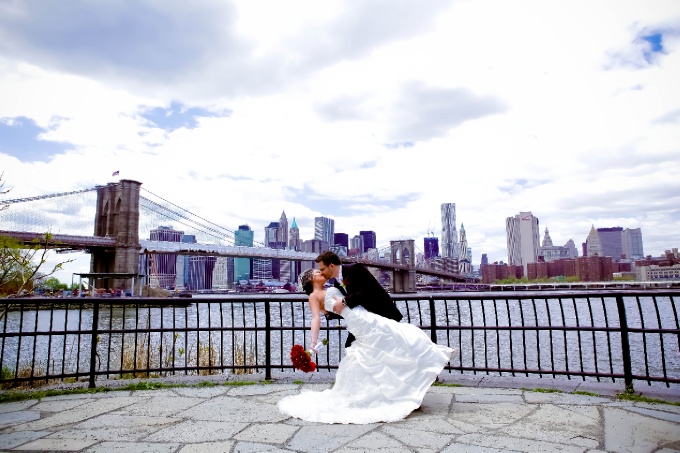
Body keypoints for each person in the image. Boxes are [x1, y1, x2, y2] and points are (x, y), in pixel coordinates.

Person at [277, 268, 455, 424]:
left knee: (394, 339)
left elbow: (351, 296)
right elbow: (316, 318)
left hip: (365, 316)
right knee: (385, 345)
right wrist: (313, 343)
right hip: (358, 322)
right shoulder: (313, 296)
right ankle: (403, 386)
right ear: (311, 279)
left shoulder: (333, 287)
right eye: (317, 272)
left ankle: (408, 382)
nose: (321, 272)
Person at [316, 251, 403, 348]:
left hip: (382, 316)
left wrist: (344, 301)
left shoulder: (356, 269)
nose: (321, 272)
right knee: (350, 347)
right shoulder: (337, 283)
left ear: (331, 266)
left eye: (322, 269)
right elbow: (346, 308)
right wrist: (327, 312)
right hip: (364, 320)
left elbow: (367, 291)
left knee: (379, 350)